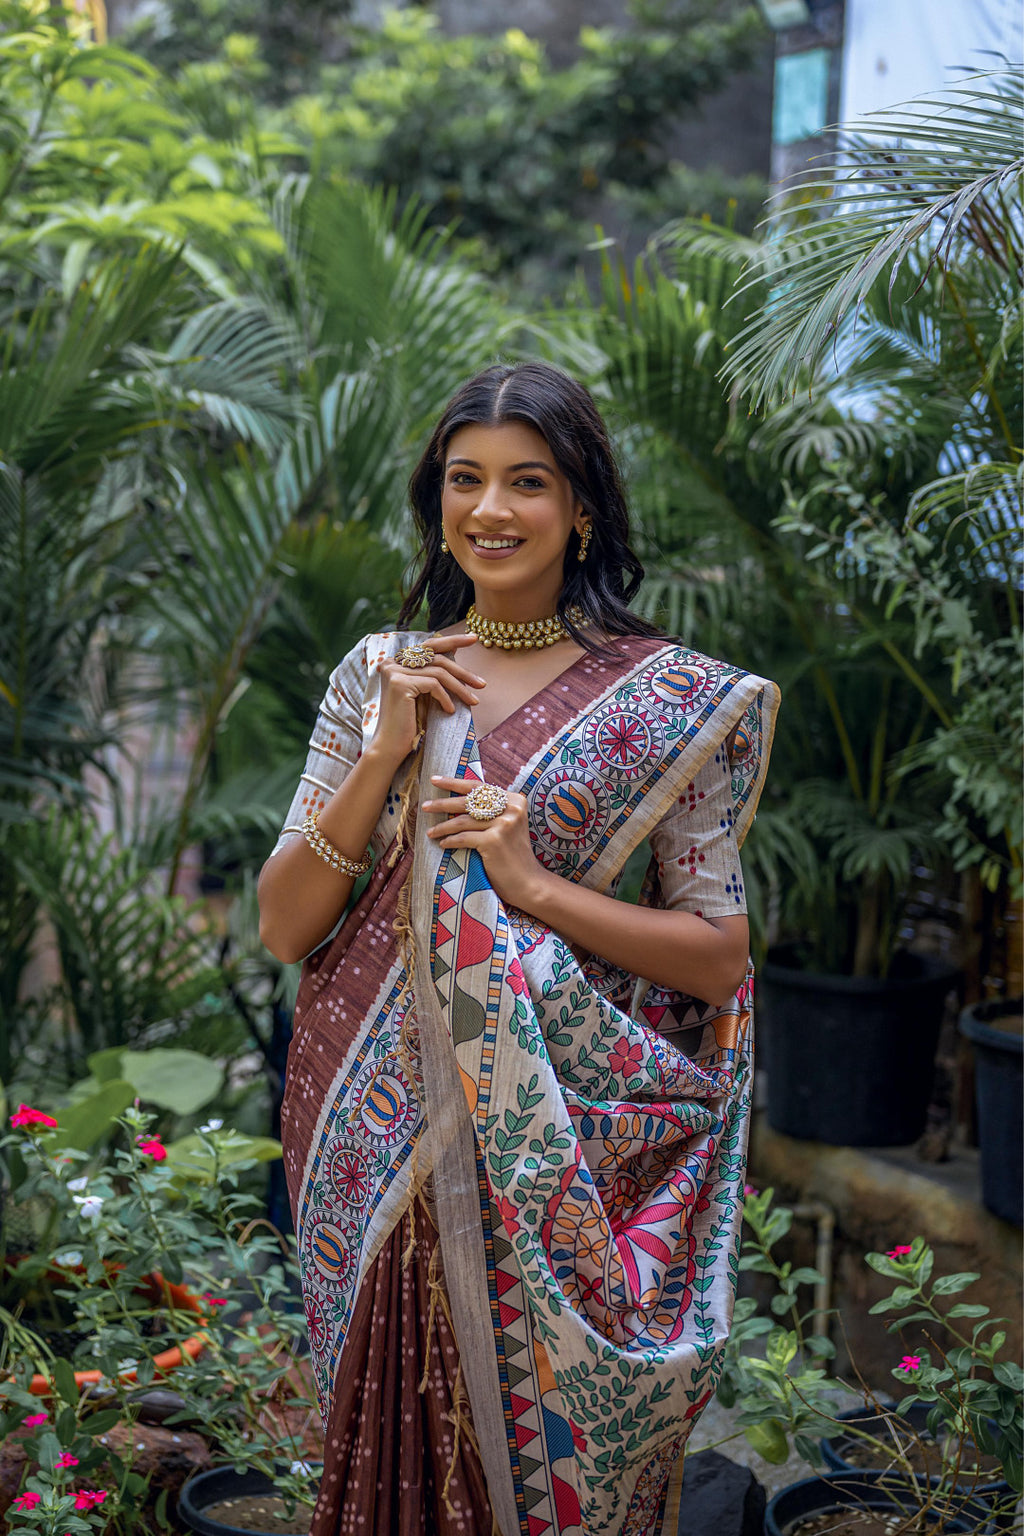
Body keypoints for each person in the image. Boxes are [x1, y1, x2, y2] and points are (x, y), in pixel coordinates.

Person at [258, 362, 779, 1536]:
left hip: (553, 1150)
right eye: (464, 480)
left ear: (582, 506)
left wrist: (529, 882)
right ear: (435, 500)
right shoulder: (378, 676)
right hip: (370, 1127)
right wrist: (386, 752)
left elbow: (714, 956)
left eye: (527, 482)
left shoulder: (666, 703)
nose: (490, 510)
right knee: (386, 1448)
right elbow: (286, 923)